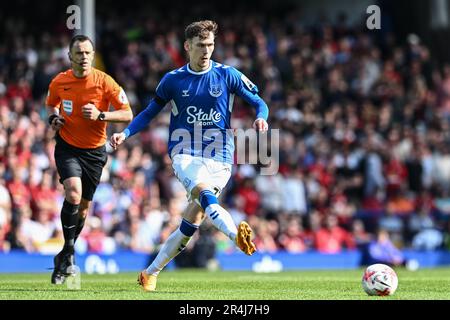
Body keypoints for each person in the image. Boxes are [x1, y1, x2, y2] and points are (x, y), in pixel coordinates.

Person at [111, 20, 269, 291]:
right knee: (204, 193)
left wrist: (261, 118)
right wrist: (126, 133)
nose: (206, 50)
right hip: (185, 152)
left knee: (191, 223)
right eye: (200, 45)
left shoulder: (227, 74)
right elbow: (150, 111)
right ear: (187, 47)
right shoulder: (173, 80)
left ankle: (150, 273)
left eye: (210, 45)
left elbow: (259, 101)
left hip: (220, 154)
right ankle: (235, 236)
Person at [46, 35, 133, 284]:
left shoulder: (105, 82)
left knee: (83, 208)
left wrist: (101, 115)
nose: (83, 57)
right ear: (70, 56)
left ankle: (64, 255)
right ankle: (70, 255)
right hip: (67, 147)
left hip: (95, 152)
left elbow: (128, 113)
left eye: (87, 53)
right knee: (73, 193)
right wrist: (53, 119)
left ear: (92, 56)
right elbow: (51, 104)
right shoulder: (60, 81)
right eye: (79, 53)